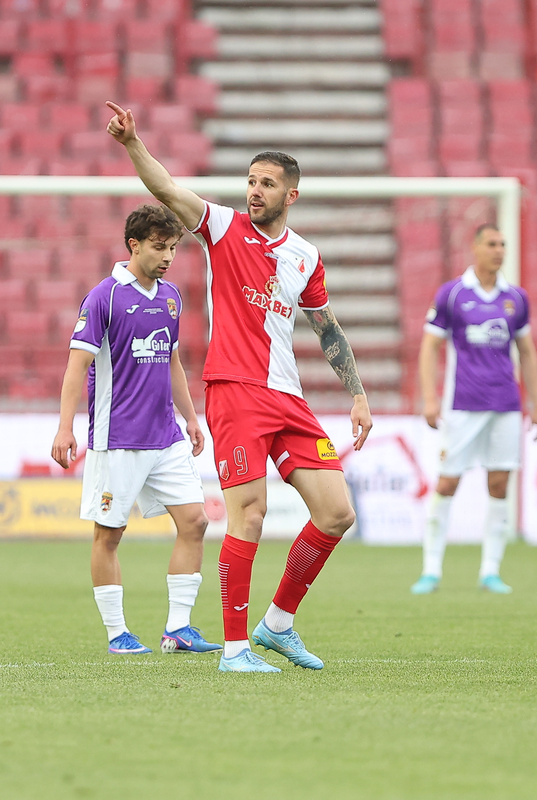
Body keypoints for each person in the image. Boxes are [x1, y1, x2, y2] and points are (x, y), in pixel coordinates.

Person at [105, 100, 373, 674]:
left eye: (267, 184)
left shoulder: (306, 256)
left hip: (288, 396)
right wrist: (132, 144)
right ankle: (234, 650)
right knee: (249, 515)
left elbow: (327, 329)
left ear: (291, 195)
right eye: (251, 180)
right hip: (234, 390)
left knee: (336, 513)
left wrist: (357, 393)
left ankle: (277, 625)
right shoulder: (223, 227)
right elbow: (167, 189)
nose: (254, 191)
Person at [51, 204, 221, 657]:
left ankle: (178, 629)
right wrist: (65, 428)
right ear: (134, 244)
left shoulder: (171, 297)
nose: (168, 257)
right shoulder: (103, 298)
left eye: (173, 248)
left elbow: (172, 361)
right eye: (159, 247)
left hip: (165, 435)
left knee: (196, 521)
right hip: (118, 439)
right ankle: (117, 634)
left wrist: (191, 417)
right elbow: (76, 367)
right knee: (109, 535)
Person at [409, 224, 537, 595]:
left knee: (499, 484)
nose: (499, 250)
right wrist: (430, 398)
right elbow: (429, 347)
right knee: (447, 481)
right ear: (475, 248)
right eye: (492, 244)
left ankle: (490, 571)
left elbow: (527, 353)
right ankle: (431, 570)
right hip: (463, 405)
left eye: (503, 244)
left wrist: (536, 403)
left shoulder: (515, 298)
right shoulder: (453, 294)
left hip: (506, 404)